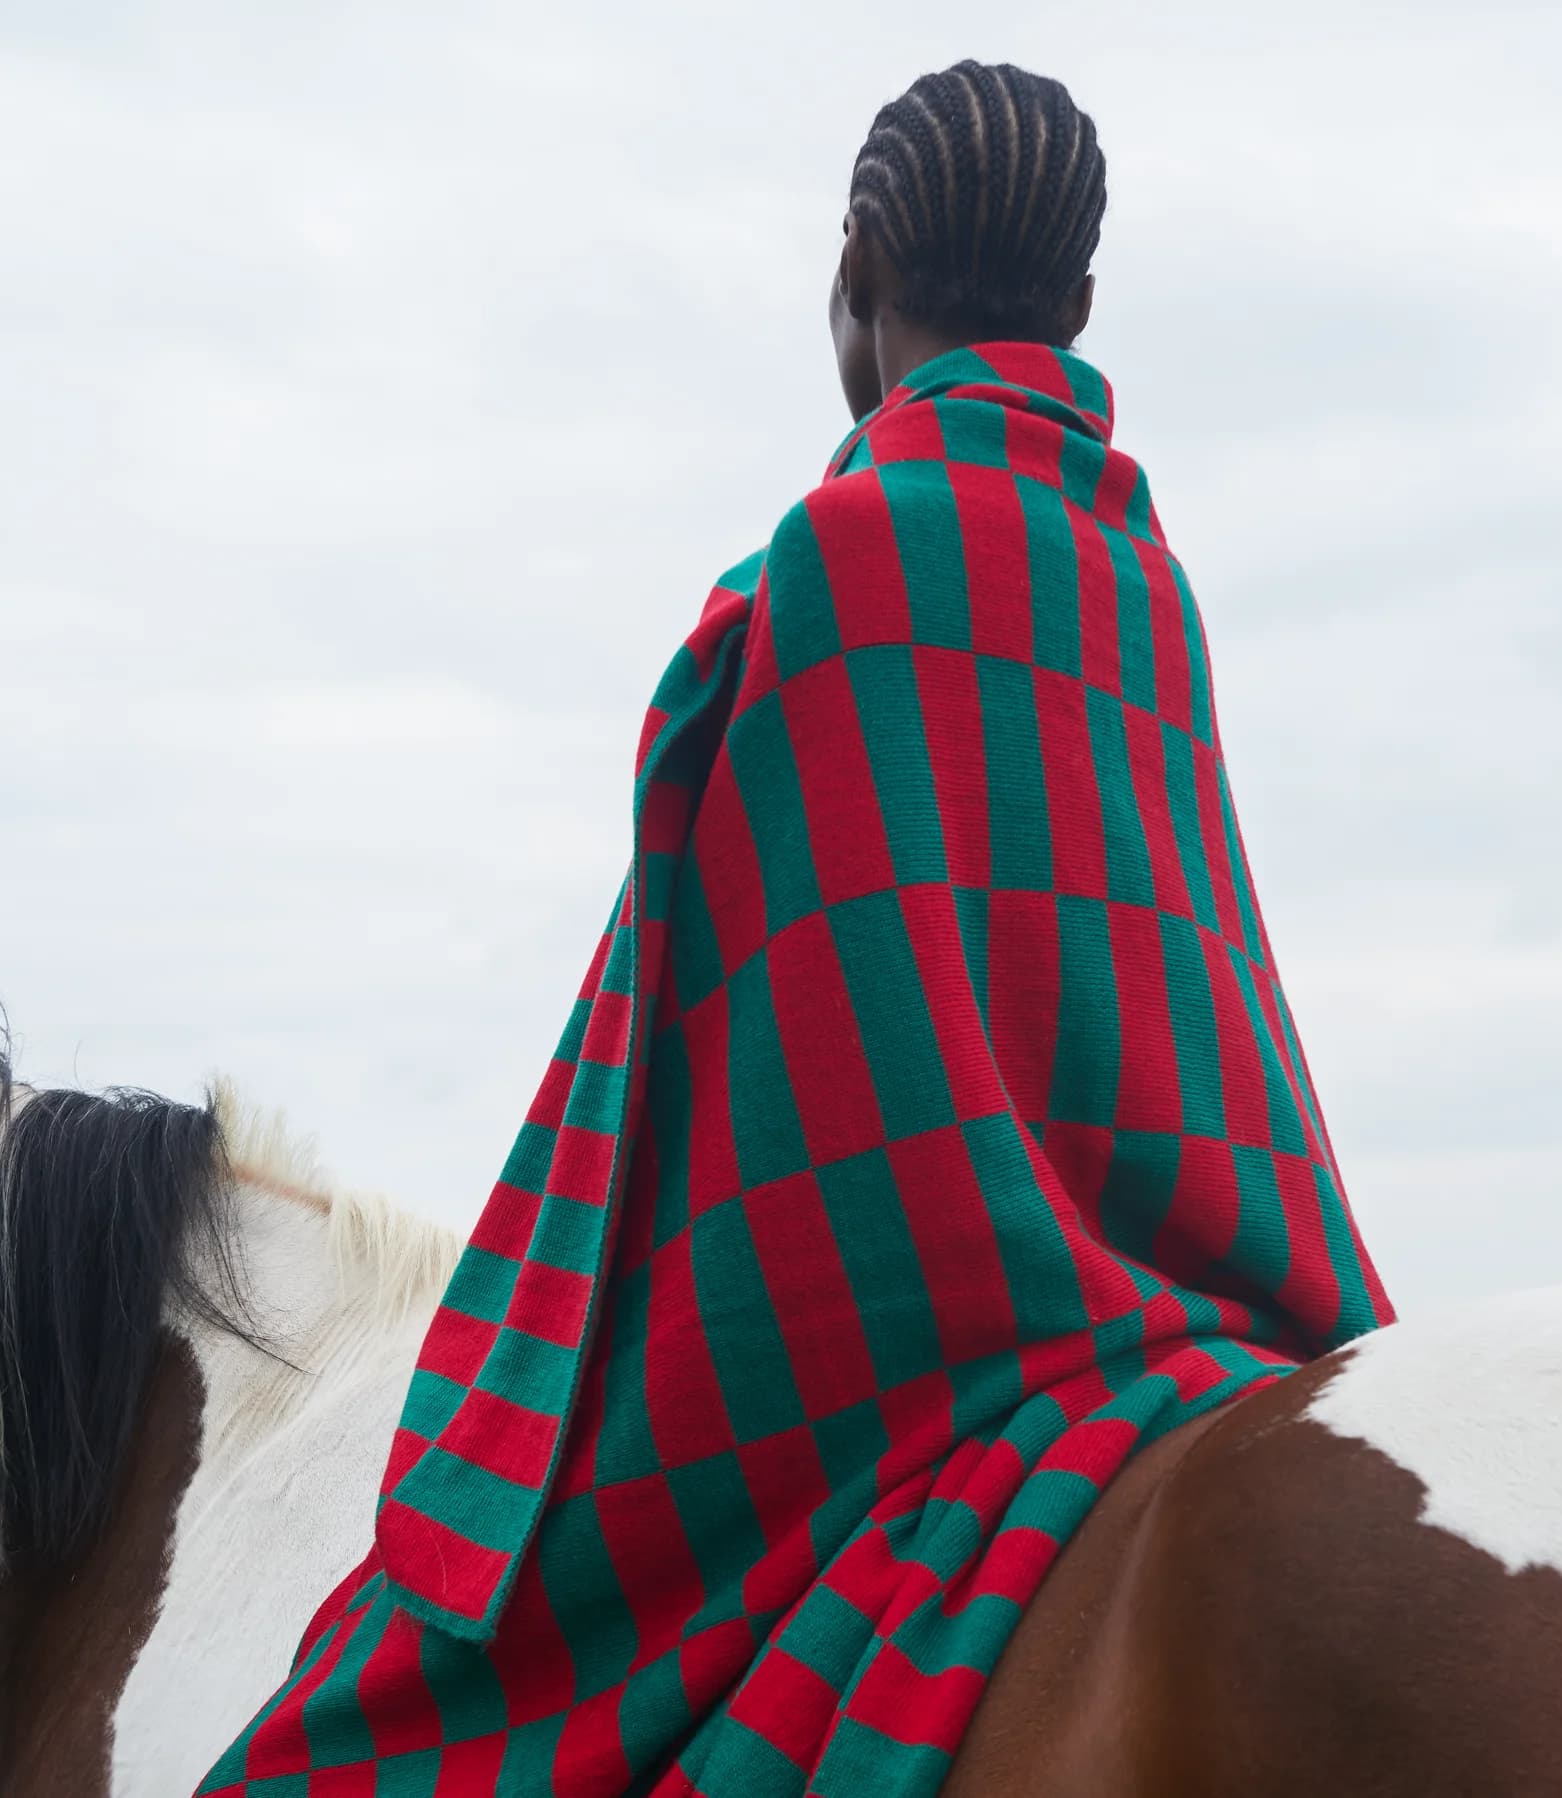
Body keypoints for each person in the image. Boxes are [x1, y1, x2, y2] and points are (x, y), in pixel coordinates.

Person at [197, 60, 1392, 1798]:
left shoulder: (831, 560)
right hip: (1180, 1315)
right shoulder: (1146, 581)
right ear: (1076, 305)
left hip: (896, 1359)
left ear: (854, 283)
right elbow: (1175, 1009)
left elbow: (706, 1074)